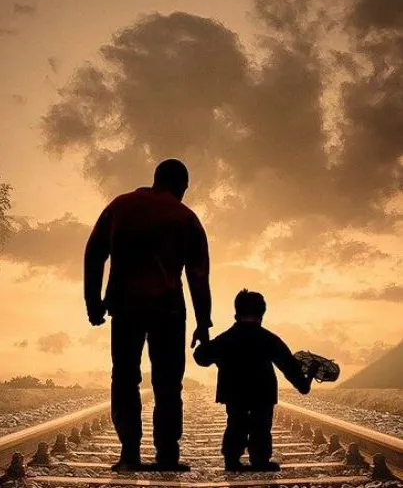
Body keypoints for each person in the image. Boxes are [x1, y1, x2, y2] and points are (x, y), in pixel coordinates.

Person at [84, 159, 212, 473]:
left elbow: (94, 252)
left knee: (125, 378)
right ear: (182, 187)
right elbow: (198, 275)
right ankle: (167, 455)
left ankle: (129, 454)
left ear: (155, 179)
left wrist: (94, 302)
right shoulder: (186, 217)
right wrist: (203, 323)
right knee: (168, 384)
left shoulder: (120, 207)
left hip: (125, 307)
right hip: (169, 310)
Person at [194, 289, 318, 472]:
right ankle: (260, 461)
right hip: (262, 392)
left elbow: (201, 358)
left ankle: (232, 460)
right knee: (261, 426)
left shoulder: (227, 338)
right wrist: (305, 382)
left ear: (236, 313)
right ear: (262, 313)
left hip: (234, 392)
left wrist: (203, 342)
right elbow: (289, 366)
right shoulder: (269, 339)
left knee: (236, 423)